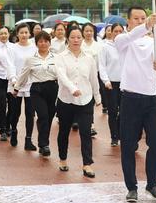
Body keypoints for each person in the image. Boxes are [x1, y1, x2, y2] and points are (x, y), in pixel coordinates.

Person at [116, 7, 156, 202]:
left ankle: (152, 184)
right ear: (129, 21)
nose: (140, 21)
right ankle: (131, 187)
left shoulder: (155, 42)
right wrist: (146, 25)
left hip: (152, 97)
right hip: (130, 98)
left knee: (155, 144)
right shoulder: (123, 40)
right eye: (136, 18)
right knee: (128, 145)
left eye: (143, 18)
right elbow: (133, 35)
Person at [55, 26, 101, 177]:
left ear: (83, 39)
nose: (76, 40)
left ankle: (87, 164)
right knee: (64, 131)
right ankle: (63, 159)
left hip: (85, 99)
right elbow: (61, 75)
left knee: (86, 132)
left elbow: (93, 78)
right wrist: (72, 88)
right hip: (66, 99)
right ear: (67, 38)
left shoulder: (89, 58)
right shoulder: (60, 57)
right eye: (73, 37)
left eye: (78, 37)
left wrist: (97, 96)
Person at [14, 31, 57, 157]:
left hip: (53, 88)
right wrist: (17, 88)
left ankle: (43, 139)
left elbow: (62, 74)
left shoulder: (56, 58)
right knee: (43, 115)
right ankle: (44, 145)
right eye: (40, 41)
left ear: (49, 42)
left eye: (46, 41)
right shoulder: (31, 59)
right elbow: (23, 75)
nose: (43, 43)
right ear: (36, 43)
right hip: (37, 90)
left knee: (49, 117)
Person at [8, 23, 37, 149]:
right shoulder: (12, 48)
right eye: (21, 32)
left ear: (29, 34)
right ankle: (13, 131)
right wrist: (14, 80)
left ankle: (28, 140)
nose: (24, 35)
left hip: (31, 84)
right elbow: (10, 65)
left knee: (30, 113)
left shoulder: (34, 48)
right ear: (17, 34)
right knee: (15, 112)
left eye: (26, 32)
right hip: (16, 84)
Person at [99, 23, 124, 146]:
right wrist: (106, 81)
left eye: (121, 31)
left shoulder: (127, 46)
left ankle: (121, 133)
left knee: (125, 111)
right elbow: (102, 66)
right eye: (116, 31)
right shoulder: (105, 47)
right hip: (111, 84)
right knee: (113, 111)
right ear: (111, 32)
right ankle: (114, 136)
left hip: (126, 84)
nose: (118, 34)